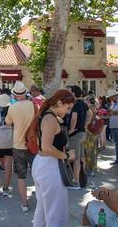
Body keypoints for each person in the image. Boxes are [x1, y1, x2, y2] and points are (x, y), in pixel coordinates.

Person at [31, 89, 75, 226]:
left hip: (42, 164)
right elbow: (46, 147)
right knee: (55, 212)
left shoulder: (47, 115)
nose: (68, 112)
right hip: (49, 167)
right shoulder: (50, 118)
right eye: (67, 108)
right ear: (59, 103)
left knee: (43, 209)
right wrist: (66, 155)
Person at [5, 81, 36, 212]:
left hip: (18, 144)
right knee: (37, 174)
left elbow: (7, 123)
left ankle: (24, 204)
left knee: (21, 176)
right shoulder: (32, 105)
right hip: (32, 143)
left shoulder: (12, 107)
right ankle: (42, 199)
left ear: (15, 95)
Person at [67, 85, 90, 189]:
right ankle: (82, 179)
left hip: (75, 134)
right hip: (82, 133)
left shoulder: (76, 104)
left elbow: (74, 118)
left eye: (69, 91)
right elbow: (90, 114)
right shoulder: (83, 104)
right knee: (81, 158)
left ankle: (76, 182)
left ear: (73, 93)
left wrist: (70, 130)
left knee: (74, 159)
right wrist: (85, 125)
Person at [107, 90, 118, 166]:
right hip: (113, 125)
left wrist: (113, 112)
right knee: (117, 144)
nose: (110, 99)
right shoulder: (113, 103)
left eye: (111, 97)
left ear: (114, 96)